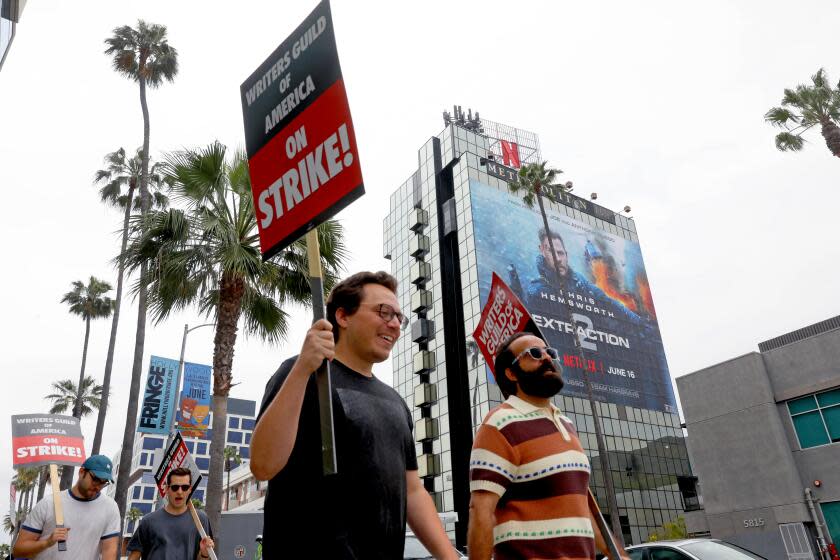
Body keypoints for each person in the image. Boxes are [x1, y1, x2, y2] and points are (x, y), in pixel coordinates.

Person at [250, 271, 460, 560]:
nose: (395, 324)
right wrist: (302, 368)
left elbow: (412, 491)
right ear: (343, 317)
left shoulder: (396, 402)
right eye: (384, 312)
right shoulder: (302, 374)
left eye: (400, 317)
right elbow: (263, 465)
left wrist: (450, 557)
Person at [467, 332, 627, 560]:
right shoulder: (498, 424)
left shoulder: (567, 424)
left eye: (549, 352)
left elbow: (583, 512)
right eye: (533, 353)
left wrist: (618, 555)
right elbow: (481, 511)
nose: (546, 358)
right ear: (511, 373)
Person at [13, 455, 120, 559]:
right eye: (95, 479)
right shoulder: (49, 503)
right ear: (82, 472)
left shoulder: (110, 507)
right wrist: (47, 543)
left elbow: (109, 550)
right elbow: (18, 551)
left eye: (104, 482)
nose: (98, 486)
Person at [127, 466, 214, 560]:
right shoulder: (148, 521)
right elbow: (134, 556)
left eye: (184, 487)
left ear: (190, 489)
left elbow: (204, 557)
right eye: (175, 487)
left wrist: (204, 554)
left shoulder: (201, 519)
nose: (179, 492)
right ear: (167, 489)